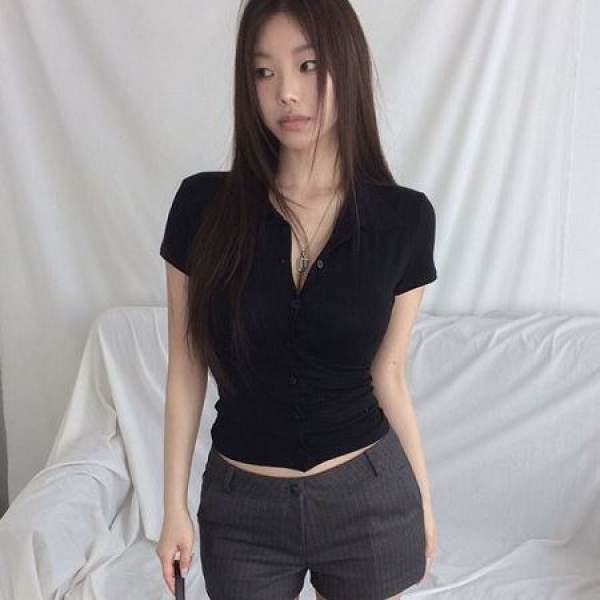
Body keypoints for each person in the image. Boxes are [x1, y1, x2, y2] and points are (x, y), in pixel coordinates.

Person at [156, 1, 438, 598]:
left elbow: (389, 372)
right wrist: (172, 506)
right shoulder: (202, 209)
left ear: (347, 67)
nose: (286, 91)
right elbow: (186, 365)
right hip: (242, 513)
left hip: (367, 498)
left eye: (308, 65)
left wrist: (424, 501)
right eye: (264, 71)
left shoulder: (404, 220)